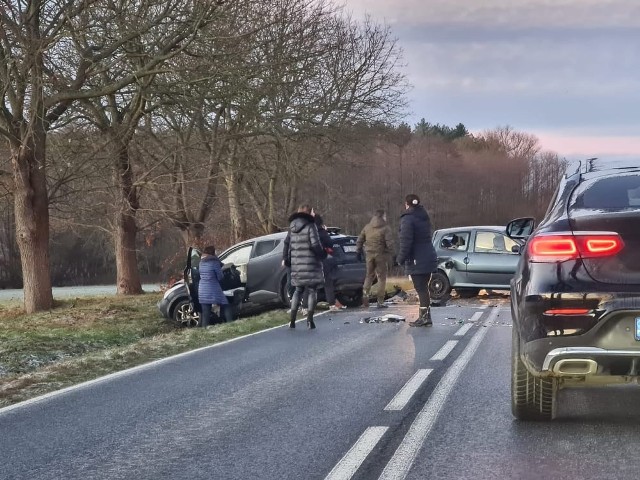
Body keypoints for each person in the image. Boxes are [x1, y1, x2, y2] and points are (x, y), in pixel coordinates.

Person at [396, 194, 438, 327]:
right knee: (423, 288)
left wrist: (400, 259)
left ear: (406, 204)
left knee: (420, 288)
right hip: (428, 256)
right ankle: (425, 316)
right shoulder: (424, 216)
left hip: (417, 258)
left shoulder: (408, 219)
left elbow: (406, 242)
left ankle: (425, 318)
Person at [283, 205, 327, 329]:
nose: (314, 214)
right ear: (308, 213)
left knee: (298, 290)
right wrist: (323, 254)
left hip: (297, 265)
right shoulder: (311, 226)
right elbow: (315, 245)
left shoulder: (292, 228)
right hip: (311, 264)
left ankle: (292, 321)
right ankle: (309, 320)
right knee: (312, 290)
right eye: (313, 211)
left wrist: (286, 259)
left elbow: (288, 245)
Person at [356, 209, 394, 308]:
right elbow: (389, 244)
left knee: (369, 276)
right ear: (382, 216)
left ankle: (365, 296)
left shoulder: (367, 227)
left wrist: (358, 251)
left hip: (369, 255)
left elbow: (360, 239)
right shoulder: (385, 228)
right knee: (382, 277)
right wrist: (393, 255)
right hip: (381, 255)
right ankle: (380, 301)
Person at [313, 213, 346, 311]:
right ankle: (331, 304)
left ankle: (307, 306)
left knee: (310, 284)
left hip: (311, 260)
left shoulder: (309, 232)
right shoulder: (322, 232)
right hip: (323, 260)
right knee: (328, 282)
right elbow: (329, 244)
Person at [198, 245, 232, 327]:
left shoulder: (201, 262)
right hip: (213, 288)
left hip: (202, 289)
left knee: (206, 313)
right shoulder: (214, 262)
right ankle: (230, 324)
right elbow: (220, 277)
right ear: (213, 253)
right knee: (225, 304)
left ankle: (204, 330)